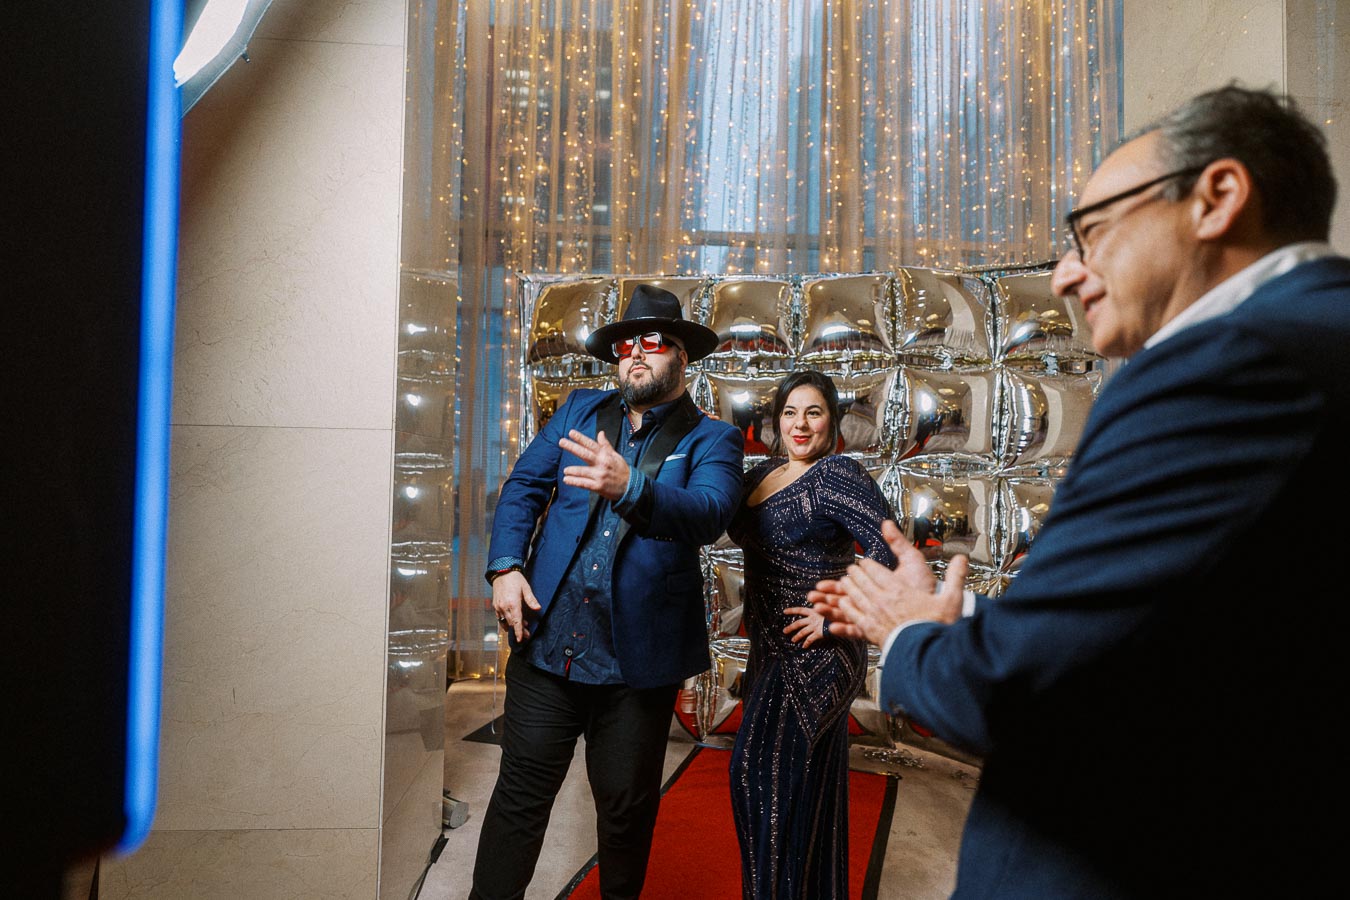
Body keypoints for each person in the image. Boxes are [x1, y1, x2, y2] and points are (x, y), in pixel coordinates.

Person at [811, 83, 1349, 897]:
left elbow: (1021, 697)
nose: (1067, 273)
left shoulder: (1227, 365)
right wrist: (986, 623)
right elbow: (1192, 649)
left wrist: (907, 633)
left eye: (1091, 233)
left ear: (1219, 197)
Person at [470, 285, 744, 900]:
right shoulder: (579, 411)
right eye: (626, 345)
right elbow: (523, 488)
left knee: (624, 816)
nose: (635, 355)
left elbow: (711, 511)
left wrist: (632, 488)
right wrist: (506, 567)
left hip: (634, 671)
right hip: (547, 651)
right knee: (518, 803)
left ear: (681, 356)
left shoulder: (712, 440)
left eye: (652, 343)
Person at [726, 369, 896, 899]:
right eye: (790, 412)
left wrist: (839, 613)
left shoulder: (839, 475)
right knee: (804, 789)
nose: (801, 424)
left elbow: (893, 556)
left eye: (814, 412)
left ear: (834, 421)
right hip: (772, 652)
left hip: (821, 652)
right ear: (777, 421)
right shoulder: (762, 474)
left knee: (759, 776)